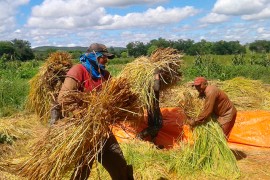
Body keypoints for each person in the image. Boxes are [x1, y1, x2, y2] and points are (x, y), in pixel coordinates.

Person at [50, 43, 134, 180]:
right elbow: (64, 98)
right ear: (94, 57)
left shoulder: (105, 75)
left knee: (119, 165)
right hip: (83, 130)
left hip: (102, 130)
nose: (106, 60)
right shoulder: (78, 71)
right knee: (82, 170)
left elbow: (114, 96)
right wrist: (81, 113)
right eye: (103, 57)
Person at [136, 68, 163, 145]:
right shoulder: (151, 80)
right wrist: (157, 74)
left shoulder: (147, 79)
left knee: (152, 123)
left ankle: (153, 143)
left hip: (152, 105)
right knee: (158, 125)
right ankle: (140, 135)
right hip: (152, 105)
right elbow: (157, 88)